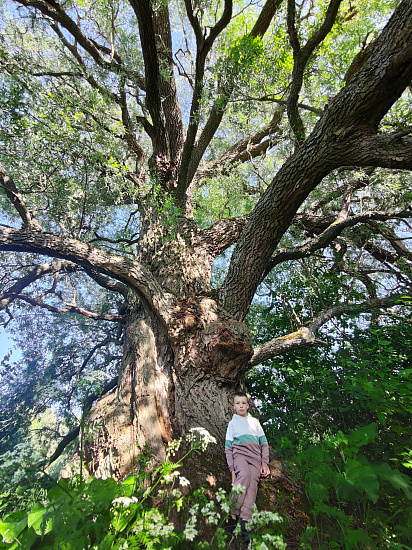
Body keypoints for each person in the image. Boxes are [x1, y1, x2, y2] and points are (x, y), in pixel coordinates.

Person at [224, 391, 270, 539]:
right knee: (243, 475)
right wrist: (232, 469)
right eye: (238, 403)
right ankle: (231, 515)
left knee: (252, 485)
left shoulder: (255, 422)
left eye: (244, 403)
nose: (241, 406)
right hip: (240, 456)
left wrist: (264, 463)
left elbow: (264, 444)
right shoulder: (233, 424)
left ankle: (245, 520)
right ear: (234, 406)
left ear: (248, 405)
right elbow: (228, 448)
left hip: (255, 458)